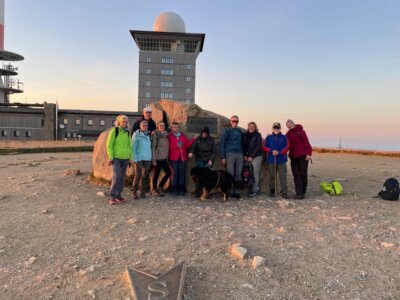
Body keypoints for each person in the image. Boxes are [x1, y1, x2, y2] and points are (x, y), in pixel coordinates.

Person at [106, 115, 132, 205]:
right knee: (116, 176)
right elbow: (109, 144)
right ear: (120, 122)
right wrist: (111, 157)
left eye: (126, 122)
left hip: (126, 158)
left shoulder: (127, 132)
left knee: (122, 177)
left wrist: (130, 158)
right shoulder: (115, 131)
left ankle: (118, 195)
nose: (125, 123)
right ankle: (112, 196)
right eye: (123, 121)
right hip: (116, 157)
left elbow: (130, 146)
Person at [285, 119, 312, 199]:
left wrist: (309, 154)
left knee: (303, 173)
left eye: (290, 124)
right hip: (293, 156)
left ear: (293, 123)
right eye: (287, 125)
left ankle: (303, 192)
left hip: (303, 155)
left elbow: (307, 143)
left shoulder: (301, 131)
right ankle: (299, 193)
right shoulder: (288, 133)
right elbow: (284, 142)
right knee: (296, 174)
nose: (289, 125)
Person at [188, 126, 217, 197]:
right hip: (200, 159)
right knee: (198, 177)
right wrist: (191, 152)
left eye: (205, 133)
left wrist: (211, 160)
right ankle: (198, 191)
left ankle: (207, 192)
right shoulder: (198, 139)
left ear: (208, 134)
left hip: (208, 160)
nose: (204, 134)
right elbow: (193, 147)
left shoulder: (211, 140)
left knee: (207, 177)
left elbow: (214, 151)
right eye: (203, 133)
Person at [263, 122, 289, 199]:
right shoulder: (268, 137)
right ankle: (272, 191)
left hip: (281, 160)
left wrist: (279, 152)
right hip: (271, 159)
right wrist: (271, 151)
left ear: (280, 128)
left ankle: (284, 192)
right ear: (272, 128)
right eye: (275, 127)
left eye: (278, 127)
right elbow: (264, 147)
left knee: (282, 176)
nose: (276, 129)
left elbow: (288, 146)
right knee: (272, 176)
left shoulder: (284, 137)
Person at [168, 122, 195, 196]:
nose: (175, 128)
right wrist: (177, 146)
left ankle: (181, 190)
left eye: (176, 127)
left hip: (183, 158)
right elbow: (168, 147)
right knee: (175, 174)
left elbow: (187, 145)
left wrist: (193, 139)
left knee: (182, 174)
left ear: (179, 128)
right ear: (172, 128)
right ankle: (174, 190)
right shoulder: (169, 136)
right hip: (173, 158)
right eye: (173, 127)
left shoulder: (183, 136)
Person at [220, 115, 244, 199]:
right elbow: (222, 143)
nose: (235, 122)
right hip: (230, 154)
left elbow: (243, 143)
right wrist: (223, 157)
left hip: (239, 154)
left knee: (238, 173)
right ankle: (229, 191)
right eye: (233, 121)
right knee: (230, 174)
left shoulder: (240, 131)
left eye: (236, 121)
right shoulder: (227, 131)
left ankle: (237, 192)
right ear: (230, 122)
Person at [131, 120, 152, 199]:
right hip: (138, 158)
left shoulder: (149, 134)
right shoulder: (136, 135)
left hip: (147, 157)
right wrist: (134, 158)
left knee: (145, 175)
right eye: (143, 125)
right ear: (140, 126)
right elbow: (133, 147)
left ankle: (142, 192)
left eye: (146, 125)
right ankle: (134, 191)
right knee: (138, 175)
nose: (145, 127)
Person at [243, 122, 263, 197]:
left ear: (255, 127)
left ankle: (254, 190)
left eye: (253, 126)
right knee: (247, 172)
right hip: (247, 156)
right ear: (248, 127)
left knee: (255, 173)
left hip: (256, 156)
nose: (251, 127)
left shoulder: (258, 135)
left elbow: (258, 146)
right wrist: (245, 155)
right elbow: (243, 146)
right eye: (250, 126)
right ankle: (250, 187)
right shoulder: (245, 135)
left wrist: (252, 156)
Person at [151, 121, 171, 196]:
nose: (162, 127)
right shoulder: (156, 134)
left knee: (169, 173)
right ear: (158, 126)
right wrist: (154, 159)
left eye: (163, 125)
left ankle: (160, 187)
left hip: (165, 158)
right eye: (160, 125)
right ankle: (154, 189)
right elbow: (153, 147)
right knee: (156, 174)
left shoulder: (167, 134)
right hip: (157, 158)